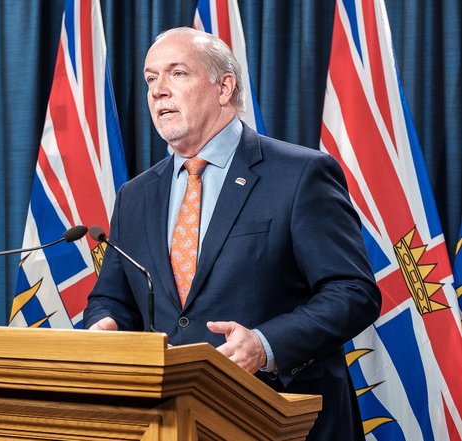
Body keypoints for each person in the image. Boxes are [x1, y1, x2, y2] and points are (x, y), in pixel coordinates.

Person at [83, 27, 381, 441]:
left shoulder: (300, 174)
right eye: (151, 78)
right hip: (171, 420)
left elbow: (354, 292)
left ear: (224, 87)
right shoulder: (135, 195)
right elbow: (111, 295)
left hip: (281, 417)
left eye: (177, 74)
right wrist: (105, 323)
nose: (158, 91)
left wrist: (264, 344)